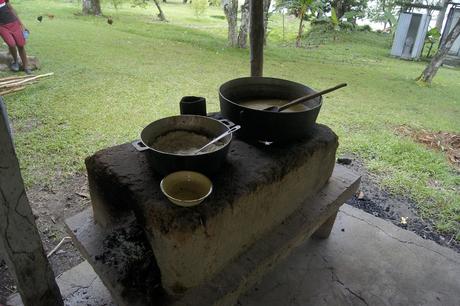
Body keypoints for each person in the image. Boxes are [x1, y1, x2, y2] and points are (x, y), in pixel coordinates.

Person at [0, 0, 30, 74]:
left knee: (20, 45)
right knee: (11, 44)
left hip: (14, 22)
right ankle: (15, 61)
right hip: (2, 26)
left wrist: (21, 24)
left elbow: (11, 8)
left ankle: (26, 67)